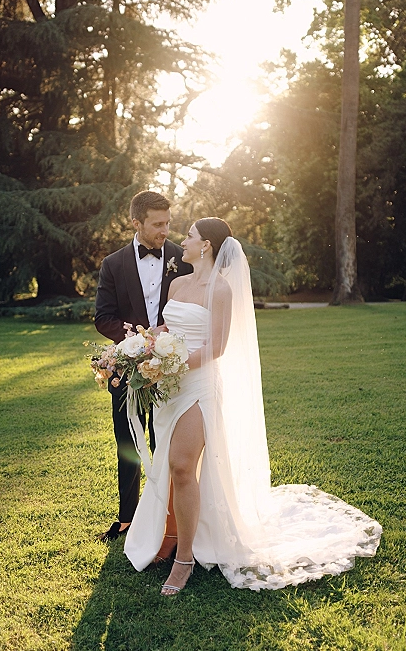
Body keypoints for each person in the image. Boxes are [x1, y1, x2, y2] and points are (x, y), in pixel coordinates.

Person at [125, 217, 382, 594]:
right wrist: (138, 348)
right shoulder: (178, 284)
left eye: (191, 236)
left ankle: (185, 561)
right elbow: (169, 329)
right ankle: (172, 535)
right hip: (169, 387)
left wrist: (165, 367)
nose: (184, 240)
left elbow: (216, 347)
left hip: (199, 386)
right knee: (171, 465)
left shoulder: (223, 291)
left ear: (207, 246)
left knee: (182, 465)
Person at [94, 191, 192, 542]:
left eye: (168, 223)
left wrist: (163, 344)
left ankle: (168, 517)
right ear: (136, 223)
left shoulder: (184, 258)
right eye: (157, 224)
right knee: (128, 442)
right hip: (127, 364)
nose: (165, 230)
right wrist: (137, 340)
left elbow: (195, 308)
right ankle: (127, 518)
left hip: (173, 366)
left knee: (164, 440)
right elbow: (103, 317)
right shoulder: (113, 264)